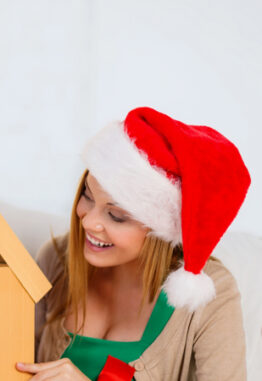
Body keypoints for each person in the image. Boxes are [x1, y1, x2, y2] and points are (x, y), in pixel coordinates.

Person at [16, 107, 250, 380]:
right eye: (88, 196)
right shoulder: (56, 258)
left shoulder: (212, 295)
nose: (89, 222)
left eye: (116, 216)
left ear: (161, 232)